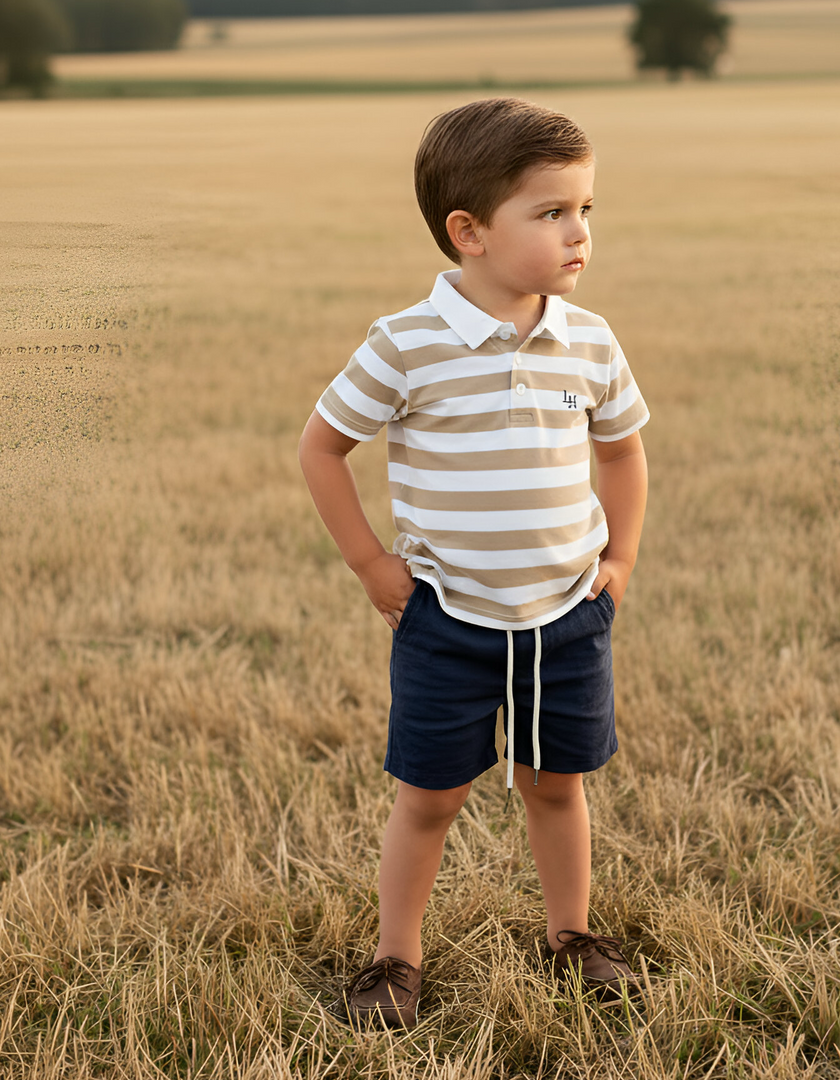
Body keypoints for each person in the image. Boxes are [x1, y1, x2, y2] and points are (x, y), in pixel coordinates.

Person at [297, 97, 649, 1030]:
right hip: (447, 618)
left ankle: (570, 935)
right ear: (470, 232)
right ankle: (396, 958)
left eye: (586, 210)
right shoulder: (406, 343)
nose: (579, 233)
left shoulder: (590, 338)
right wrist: (373, 564)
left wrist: (619, 558)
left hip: (568, 612)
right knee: (431, 797)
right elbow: (321, 448)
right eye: (551, 212)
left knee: (555, 784)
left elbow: (621, 450)